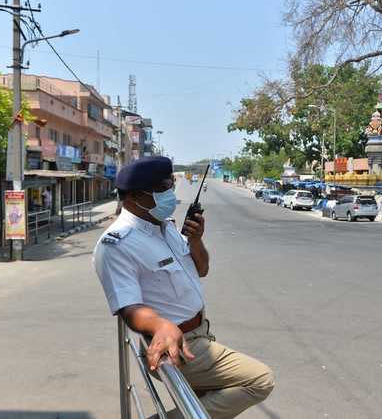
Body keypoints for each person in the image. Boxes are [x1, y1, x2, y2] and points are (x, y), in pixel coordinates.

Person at [92, 156, 274, 419]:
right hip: (178, 347)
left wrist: (196, 241)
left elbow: (201, 270)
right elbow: (128, 306)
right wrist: (160, 325)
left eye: (170, 186)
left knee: (206, 407)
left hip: (201, 333)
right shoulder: (117, 245)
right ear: (134, 197)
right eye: (162, 189)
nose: (170, 194)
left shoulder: (165, 228)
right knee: (259, 380)